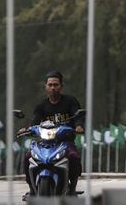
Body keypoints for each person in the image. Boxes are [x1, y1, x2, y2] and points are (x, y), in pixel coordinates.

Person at [20, 71, 83, 199]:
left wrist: (78, 126)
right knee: (28, 157)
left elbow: (77, 116)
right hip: (45, 142)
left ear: (61, 86)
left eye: (56, 84)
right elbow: (35, 122)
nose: (53, 88)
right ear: (46, 87)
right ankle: (32, 189)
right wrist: (26, 129)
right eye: (50, 85)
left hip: (65, 142)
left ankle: (72, 189)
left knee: (74, 157)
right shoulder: (41, 106)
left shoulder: (70, 101)